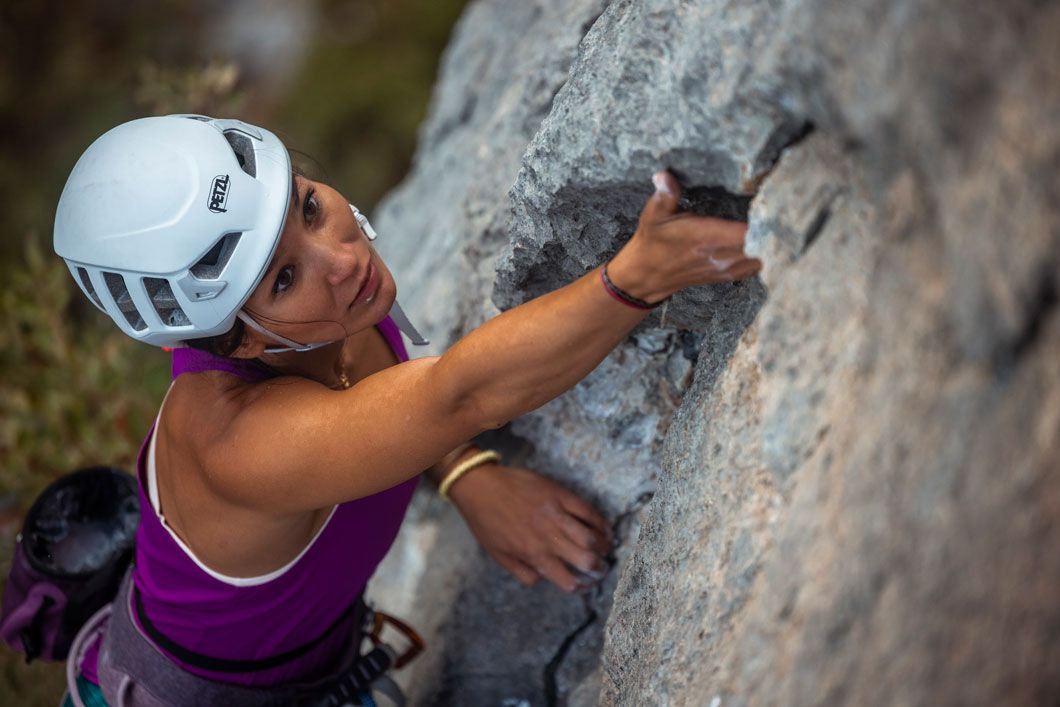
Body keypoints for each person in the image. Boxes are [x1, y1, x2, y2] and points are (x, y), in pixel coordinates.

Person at [51, 115, 760, 706]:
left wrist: (464, 473)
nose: (341, 259)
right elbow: (456, 395)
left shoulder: (317, 318)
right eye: (285, 276)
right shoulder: (239, 446)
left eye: (307, 207)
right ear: (236, 338)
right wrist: (641, 274)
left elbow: (399, 410)